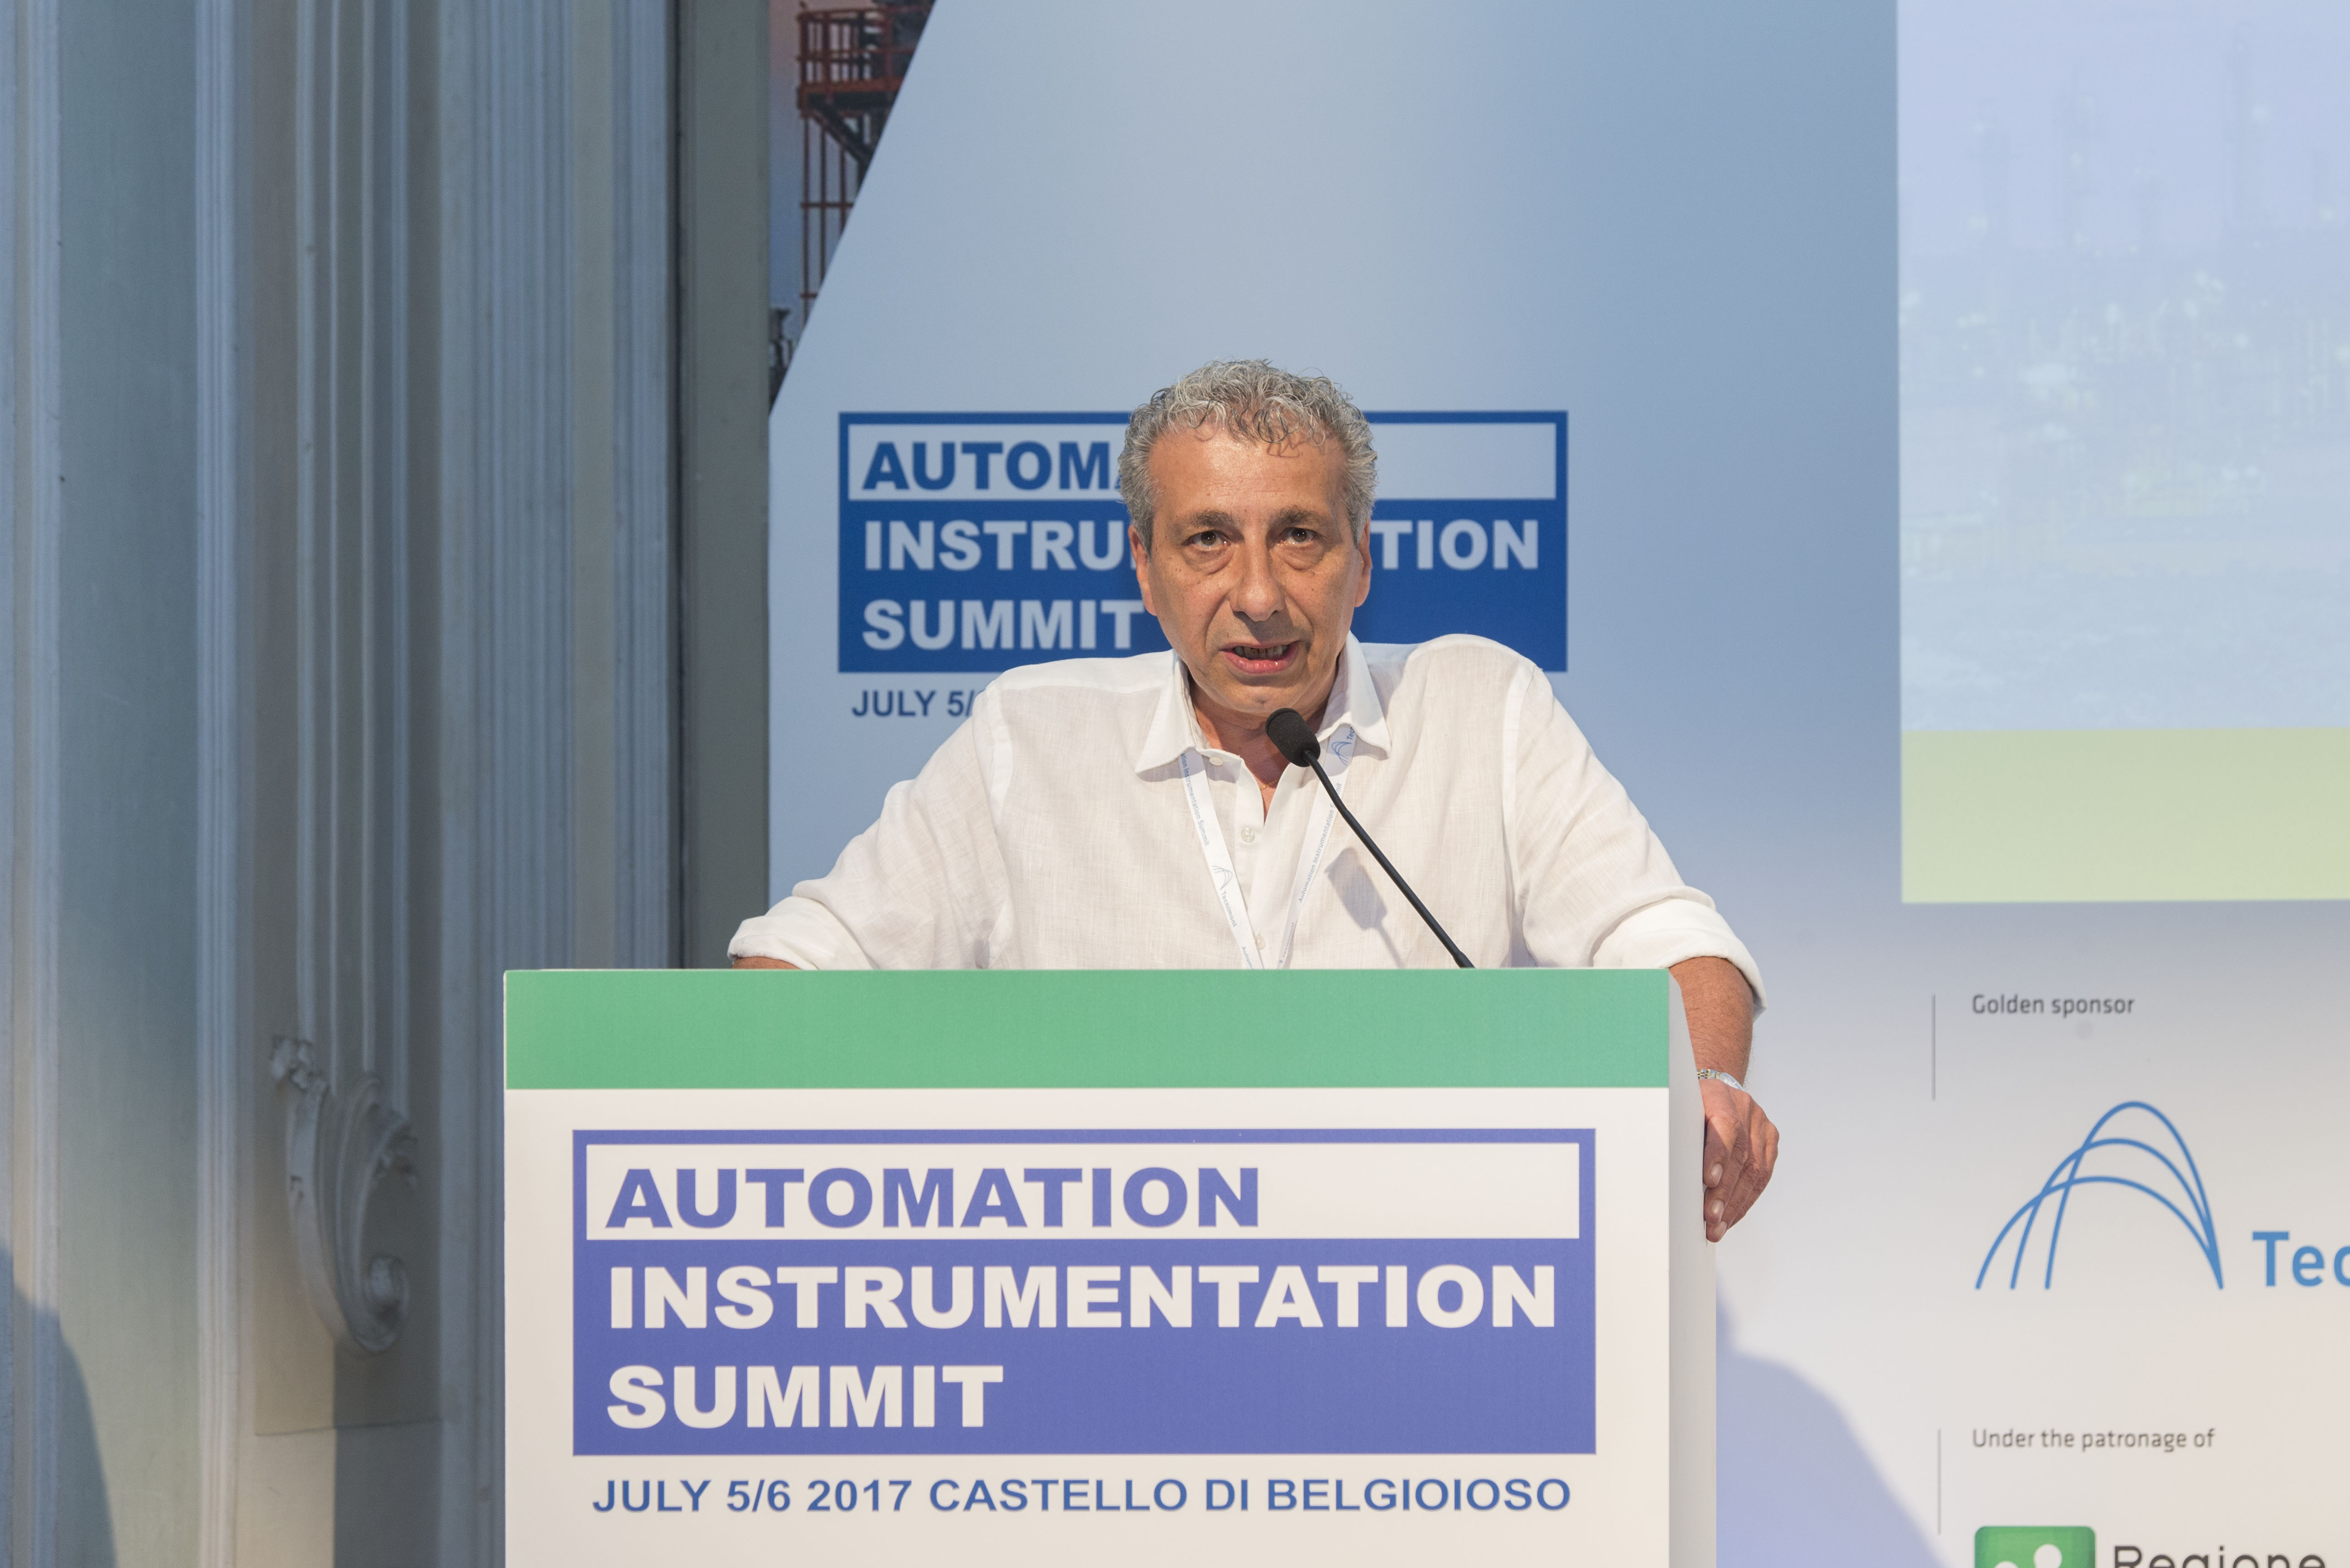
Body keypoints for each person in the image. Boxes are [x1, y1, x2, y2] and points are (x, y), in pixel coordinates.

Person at [733, 359, 1778, 1240]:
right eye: (1207, 540)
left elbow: (1668, 938)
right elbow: (803, 962)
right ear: (1144, 568)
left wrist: (1710, 1090)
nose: (1261, 594)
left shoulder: (1480, 708)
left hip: (1419, 1278)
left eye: (1299, 536)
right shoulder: (1032, 737)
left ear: (1362, 561)